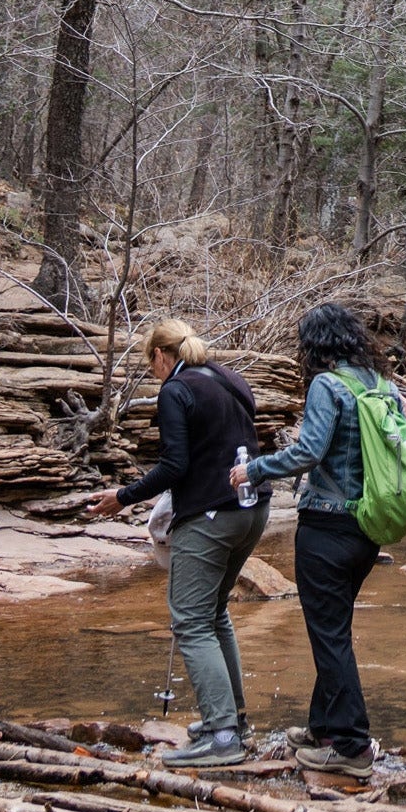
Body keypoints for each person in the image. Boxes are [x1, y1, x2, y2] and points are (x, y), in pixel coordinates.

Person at [87, 318, 267, 768]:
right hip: (254, 508)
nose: (152, 372)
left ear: (162, 356)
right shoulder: (230, 378)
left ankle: (223, 735)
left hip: (210, 516)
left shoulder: (175, 390)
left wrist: (122, 497)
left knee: (189, 620)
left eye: (151, 363)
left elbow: (174, 466)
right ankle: (233, 721)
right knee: (214, 611)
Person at [239, 303, 397, 779]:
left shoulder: (327, 385)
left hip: (326, 526)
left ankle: (350, 746)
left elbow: (309, 450)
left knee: (329, 637)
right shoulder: (380, 384)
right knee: (334, 632)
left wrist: (254, 468)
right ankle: (323, 728)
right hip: (367, 528)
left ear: (316, 344)